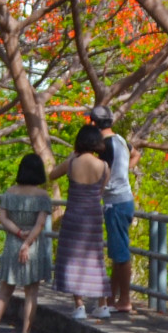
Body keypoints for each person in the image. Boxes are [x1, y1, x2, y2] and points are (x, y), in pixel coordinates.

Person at [0, 152, 56, 333]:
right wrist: (27, 243)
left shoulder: (10, 192)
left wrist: (18, 234)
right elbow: (40, 224)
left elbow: (2, 218)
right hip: (33, 246)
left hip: (12, 243)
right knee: (31, 292)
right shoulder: (42, 195)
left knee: (4, 291)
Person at [50, 124, 111, 319]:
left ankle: (79, 306)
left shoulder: (72, 162)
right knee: (96, 258)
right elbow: (100, 191)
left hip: (74, 214)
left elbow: (51, 174)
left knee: (73, 257)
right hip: (93, 215)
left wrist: (69, 157)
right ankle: (103, 305)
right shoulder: (104, 166)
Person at [92, 110, 136, 314]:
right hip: (124, 200)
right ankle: (112, 297)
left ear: (94, 124)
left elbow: (102, 171)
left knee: (121, 254)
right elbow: (136, 153)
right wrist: (124, 173)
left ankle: (124, 300)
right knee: (118, 252)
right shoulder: (119, 139)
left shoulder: (103, 144)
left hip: (115, 202)